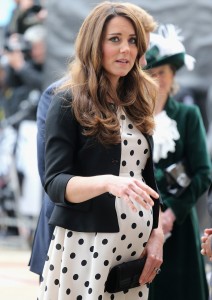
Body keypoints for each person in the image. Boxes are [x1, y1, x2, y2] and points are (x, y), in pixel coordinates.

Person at [38, 2, 164, 299]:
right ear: (95, 44)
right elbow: (55, 183)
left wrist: (156, 232)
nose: (126, 50)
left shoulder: (137, 102)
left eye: (132, 41)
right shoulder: (67, 101)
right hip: (87, 250)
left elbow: (147, 178)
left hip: (134, 254)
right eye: (115, 39)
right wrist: (109, 182)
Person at [145, 25, 212, 300]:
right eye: (150, 73)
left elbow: (202, 173)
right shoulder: (132, 116)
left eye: (162, 72)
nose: (156, 79)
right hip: (140, 223)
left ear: (172, 75)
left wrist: (171, 214)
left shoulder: (187, 115)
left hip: (180, 223)